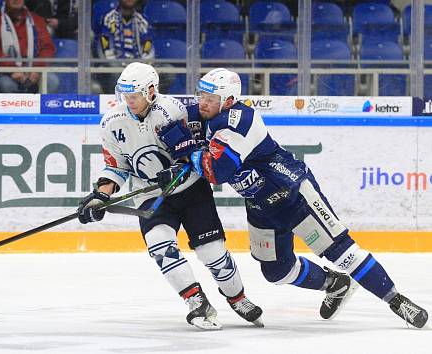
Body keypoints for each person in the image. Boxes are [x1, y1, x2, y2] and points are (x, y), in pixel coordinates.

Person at [157, 68, 429, 328]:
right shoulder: (202, 113)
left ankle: (397, 300)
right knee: (276, 271)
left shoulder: (240, 120)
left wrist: (188, 149)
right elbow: (168, 121)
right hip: (260, 205)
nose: (203, 103)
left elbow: (217, 171)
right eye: (202, 96)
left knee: (342, 253)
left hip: (292, 193)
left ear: (228, 100)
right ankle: (335, 284)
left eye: (211, 99)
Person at [77, 62, 263, 330]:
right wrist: (100, 196)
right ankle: (196, 301)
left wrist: (177, 168)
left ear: (151, 91)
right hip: (150, 196)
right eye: (125, 96)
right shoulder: (111, 123)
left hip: (191, 190)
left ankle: (237, 298)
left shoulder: (172, 111)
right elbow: (116, 167)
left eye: (135, 96)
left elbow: (191, 151)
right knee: (160, 246)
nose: (129, 102)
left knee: (212, 253)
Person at [0, 0, 58, 93]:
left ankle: (42, 107)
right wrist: (12, 69)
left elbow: (47, 48)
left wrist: (37, 69)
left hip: (34, 71)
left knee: (52, 81)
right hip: (7, 73)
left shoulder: (37, 20)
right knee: (6, 84)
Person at [97, 0, 154, 93]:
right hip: (115, 66)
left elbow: (148, 43)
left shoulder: (142, 20)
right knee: (115, 77)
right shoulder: (110, 18)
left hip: (137, 67)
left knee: (166, 72)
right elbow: (105, 42)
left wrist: (142, 64)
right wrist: (113, 63)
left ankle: (152, 103)